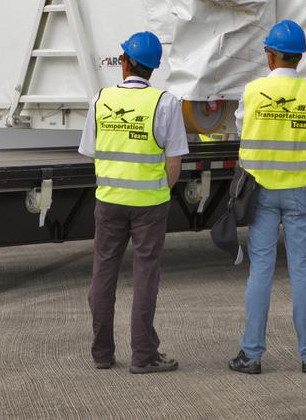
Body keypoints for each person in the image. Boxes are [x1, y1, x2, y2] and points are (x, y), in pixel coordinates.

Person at [229, 19, 306, 376]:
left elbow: (243, 129)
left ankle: (251, 355)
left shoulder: (252, 91)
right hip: (301, 191)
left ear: (270, 55)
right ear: (299, 58)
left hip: (260, 193)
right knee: (302, 270)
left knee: (261, 270)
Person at [79, 31, 187, 374]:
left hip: (108, 202)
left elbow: (92, 152)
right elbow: (174, 163)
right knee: (145, 276)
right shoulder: (166, 103)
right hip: (150, 205)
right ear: (153, 69)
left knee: (103, 273)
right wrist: (160, 191)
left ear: (124, 63)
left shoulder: (100, 99)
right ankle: (143, 355)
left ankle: (102, 353)